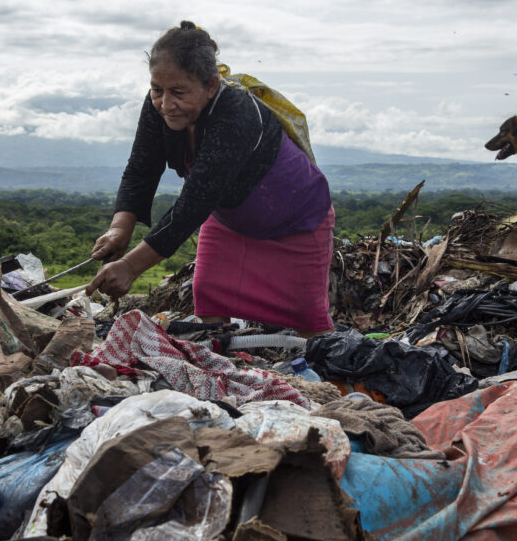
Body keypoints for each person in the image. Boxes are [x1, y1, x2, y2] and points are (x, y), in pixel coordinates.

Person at [85, 21, 334, 337]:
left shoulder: (236, 113)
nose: (165, 103)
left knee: (307, 321)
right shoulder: (158, 107)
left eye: (178, 92)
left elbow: (193, 204)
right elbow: (141, 169)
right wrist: (119, 229)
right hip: (229, 221)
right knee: (210, 297)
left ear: (212, 86)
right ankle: (224, 366)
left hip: (297, 220)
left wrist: (131, 267)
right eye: (157, 90)